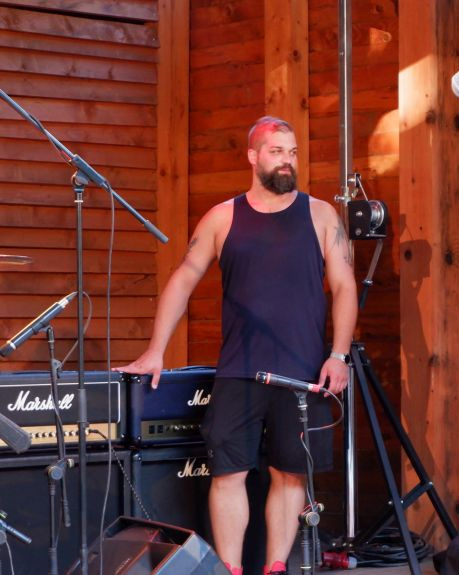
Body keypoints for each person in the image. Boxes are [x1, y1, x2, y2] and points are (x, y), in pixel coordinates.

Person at [117, 116, 358, 575]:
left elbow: (344, 286)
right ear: (253, 156)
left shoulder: (321, 215)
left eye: (292, 152)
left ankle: (275, 567)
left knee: (290, 475)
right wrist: (155, 350)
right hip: (238, 370)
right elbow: (183, 279)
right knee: (228, 473)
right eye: (276, 152)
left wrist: (338, 355)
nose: (287, 161)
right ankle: (229, 568)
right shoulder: (223, 217)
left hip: (303, 372)